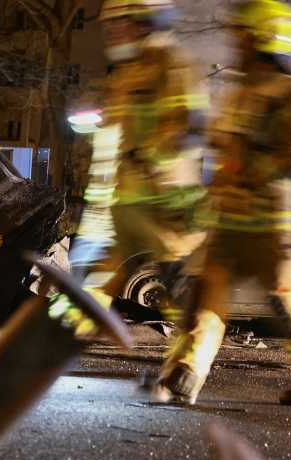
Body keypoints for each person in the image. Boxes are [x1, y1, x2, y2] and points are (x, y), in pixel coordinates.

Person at [152, 0, 291, 406]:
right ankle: (185, 371)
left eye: (242, 35)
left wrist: (258, 161)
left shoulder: (289, 94)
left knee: (289, 303)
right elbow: (220, 145)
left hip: (274, 227)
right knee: (205, 297)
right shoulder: (238, 92)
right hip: (229, 222)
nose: (234, 42)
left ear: (262, 40)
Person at [74, 0, 207, 315]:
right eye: (110, 25)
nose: (114, 33)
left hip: (165, 203)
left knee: (180, 300)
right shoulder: (123, 75)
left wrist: (147, 157)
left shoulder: (173, 65)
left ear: (148, 21)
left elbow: (188, 128)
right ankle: (53, 344)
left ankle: (189, 360)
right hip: (125, 202)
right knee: (94, 287)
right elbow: (111, 134)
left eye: (122, 23)